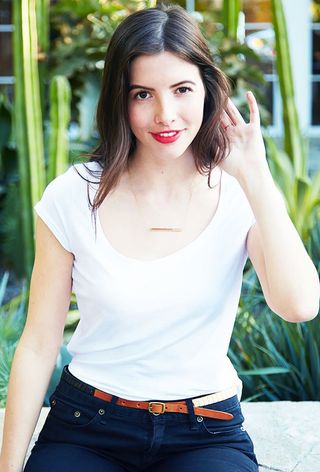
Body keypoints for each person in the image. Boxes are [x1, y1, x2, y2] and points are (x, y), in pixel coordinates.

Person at [1, 3, 319, 472]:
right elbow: (38, 343)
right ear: (119, 100)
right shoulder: (73, 194)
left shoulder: (237, 191)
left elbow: (299, 305)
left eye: (182, 89)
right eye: (143, 94)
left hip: (205, 430)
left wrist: (255, 177)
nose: (165, 114)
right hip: (89, 424)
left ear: (209, 92)